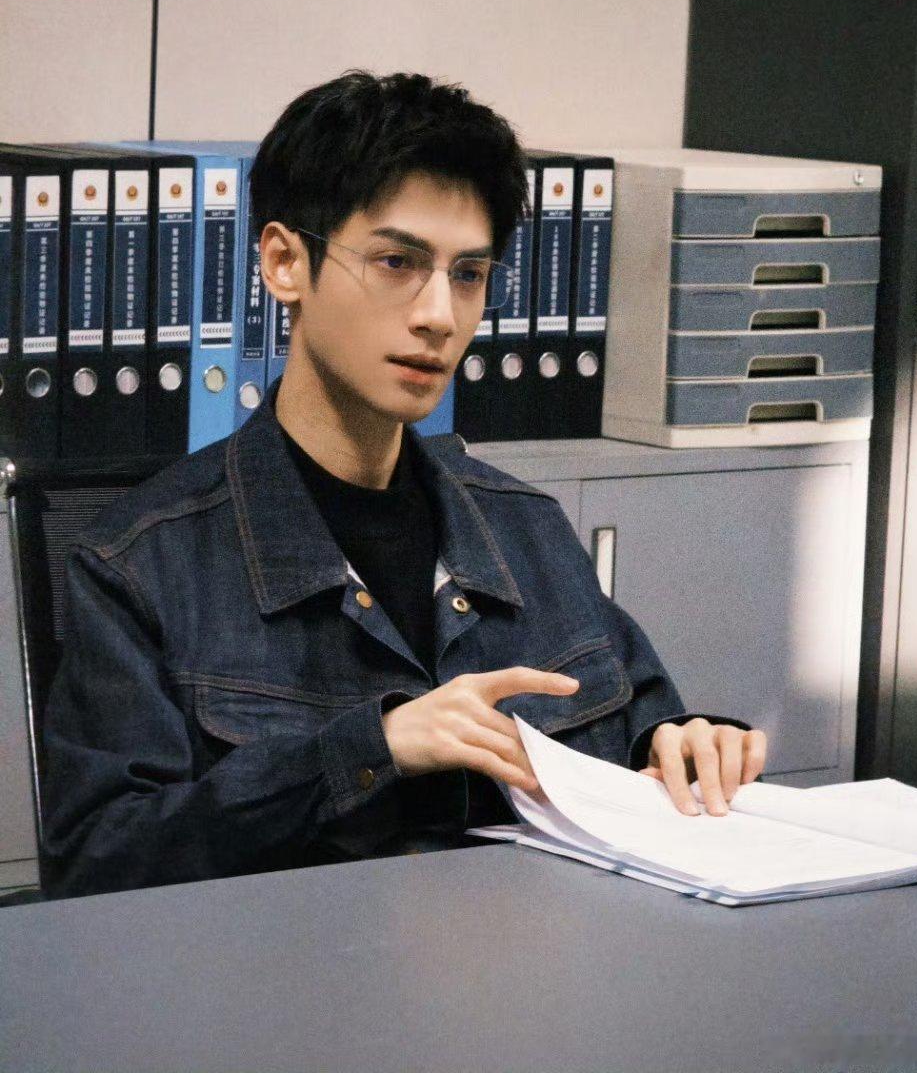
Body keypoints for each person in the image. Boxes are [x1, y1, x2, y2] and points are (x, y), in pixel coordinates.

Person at [41, 72, 766, 897]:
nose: (439, 316)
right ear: (284, 262)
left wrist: (685, 743)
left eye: (469, 275)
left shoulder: (525, 529)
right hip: (288, 968)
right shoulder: (140, 565)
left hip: (533, 956)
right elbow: (98, 866)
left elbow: (644, 728)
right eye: (396, 262)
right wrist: (370, 750)